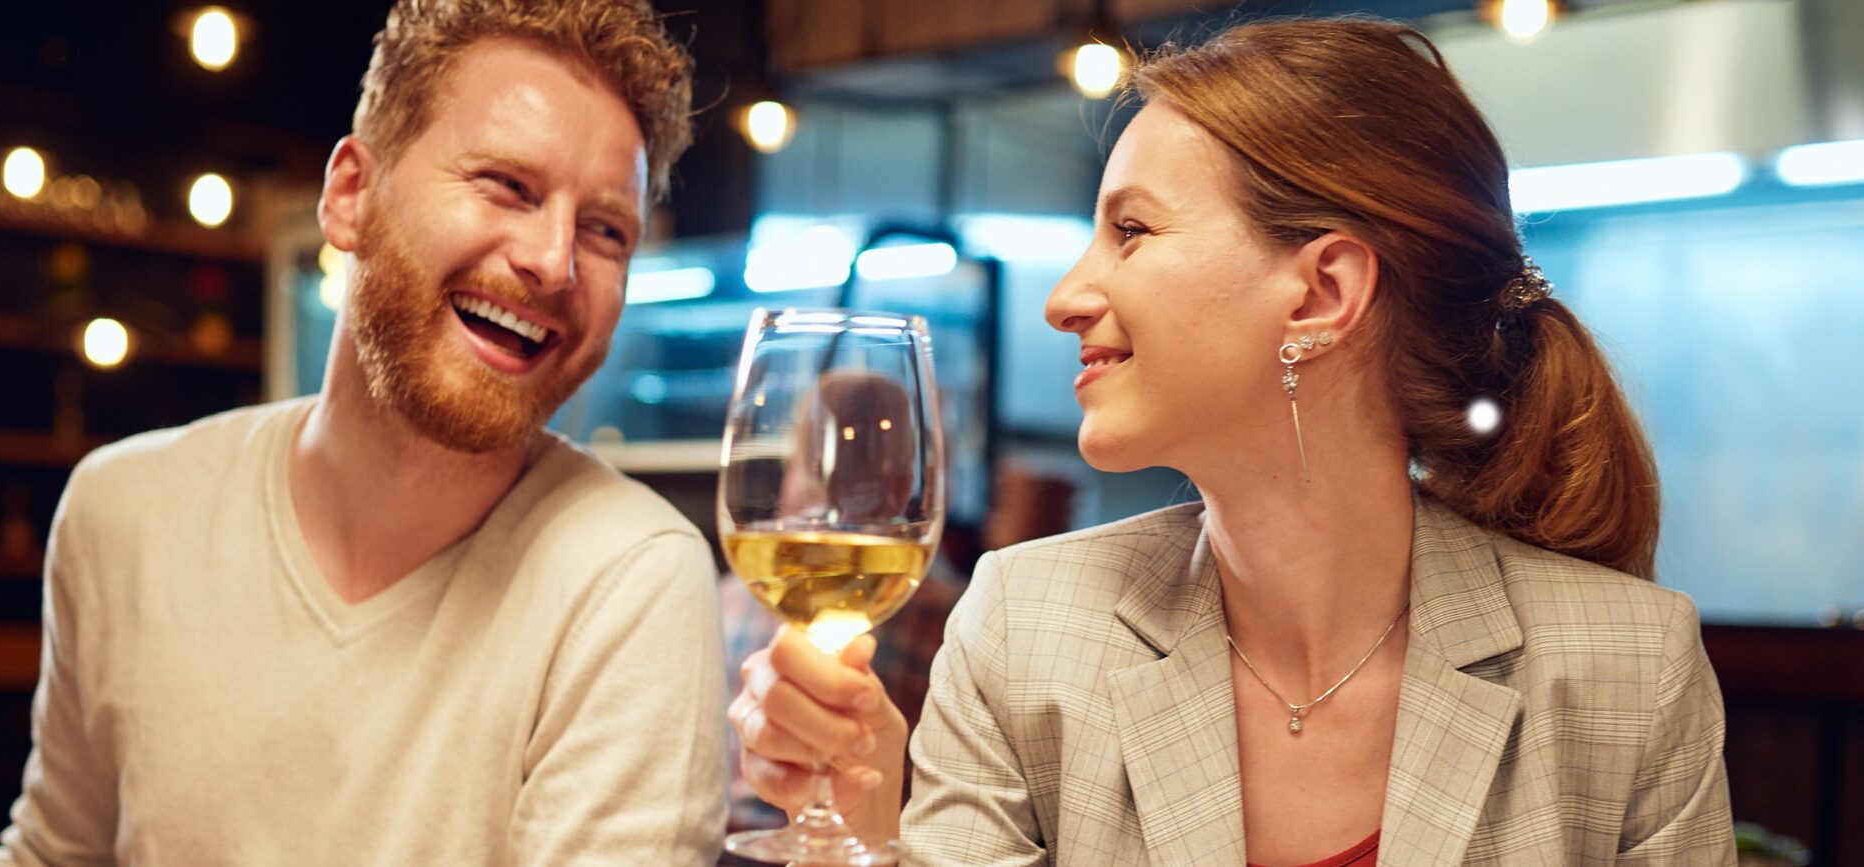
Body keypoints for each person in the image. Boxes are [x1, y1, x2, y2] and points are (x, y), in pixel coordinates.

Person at [729, 16, 1735, 867]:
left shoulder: (1627, 674)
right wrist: (860, 819)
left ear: (1322, 293)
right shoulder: (1024, 633)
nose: (1065, 298)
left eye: (1130, 232)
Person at [0, 1, 725, 864]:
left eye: (604, 231)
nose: (554, 262)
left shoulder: (627, 578)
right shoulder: (125, 509)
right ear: (351, 196)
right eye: (508, 186)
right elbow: (56, 850)